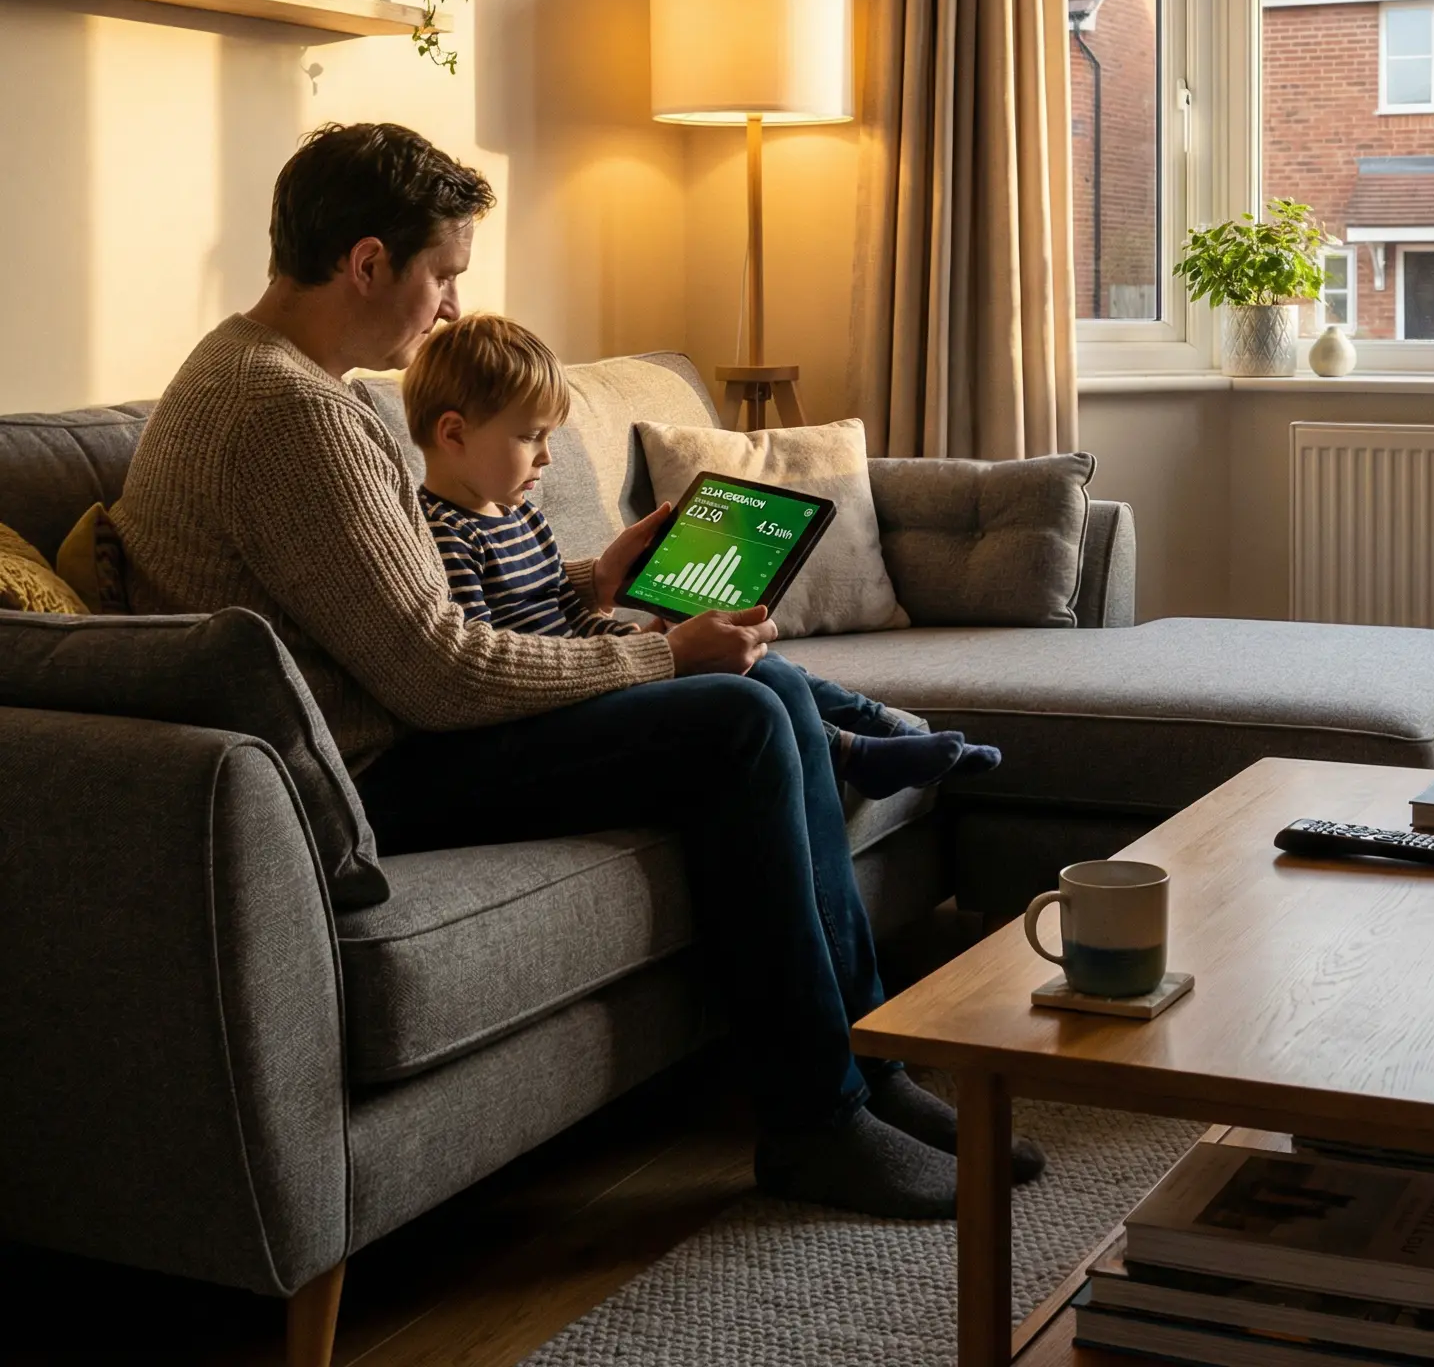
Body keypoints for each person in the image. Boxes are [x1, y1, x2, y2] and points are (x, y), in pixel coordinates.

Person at [115, 122, 1039, 1217]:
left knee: (771, 690)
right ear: (367, 262)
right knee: (734, 719)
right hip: (370, 777)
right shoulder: (286, 412)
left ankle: (864, 1072)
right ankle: (813, 1119)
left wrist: (598, 586)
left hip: (398, 732)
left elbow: (415, 608)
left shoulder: (262, 372)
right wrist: (660, 650)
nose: (450, 306)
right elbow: (441, 671)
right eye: (441, 275)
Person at [402, 310, 998, 801]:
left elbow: (567, 612)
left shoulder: (521, 513)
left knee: (755, 659)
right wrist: (646, 654)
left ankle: (882, 727)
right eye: (531, 436)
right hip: (553, 707)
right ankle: (851, 750)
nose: (547, 459)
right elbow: (492, 660)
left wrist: (632, 639)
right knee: (734, 682)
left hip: (595, 673)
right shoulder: (445, 533)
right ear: (454, 434)